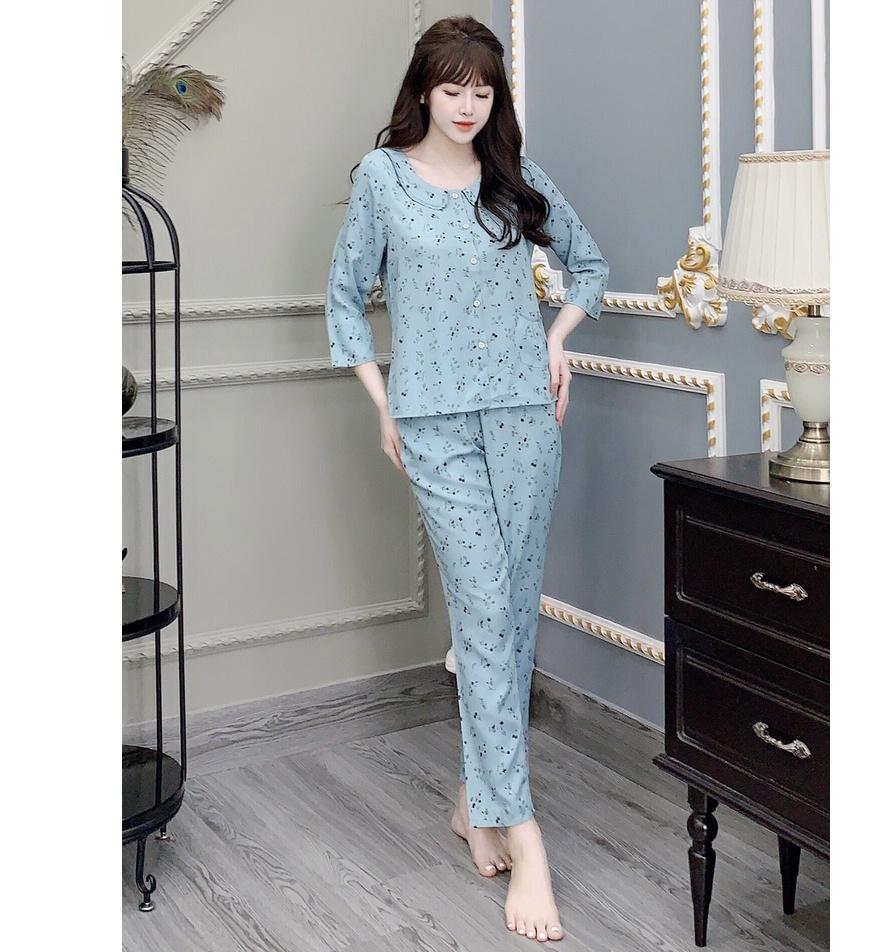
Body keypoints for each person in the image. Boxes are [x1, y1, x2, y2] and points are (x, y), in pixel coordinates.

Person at [325, 14, 609, 944]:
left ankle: (474, 798)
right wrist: (384, 404)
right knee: (485, 605)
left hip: (526, 418)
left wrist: (556, 342)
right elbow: (343, 299)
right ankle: (526, 839)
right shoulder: (382, 178)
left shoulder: (511, 178)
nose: (467, 105)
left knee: (511, 610)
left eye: (483, 90)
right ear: (423, 89)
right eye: (452, 88)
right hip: (434, 425)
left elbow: (590, 265)